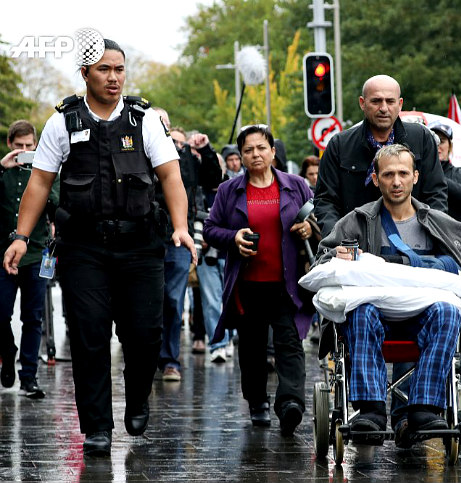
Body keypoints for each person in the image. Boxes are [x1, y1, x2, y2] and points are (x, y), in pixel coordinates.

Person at [3, 39, 196, 457]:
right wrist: (20, 237)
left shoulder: (144, 119)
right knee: (89, 337)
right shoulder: (62, 122)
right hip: (83, 248)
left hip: (141, 246)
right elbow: (39, 183)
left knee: (145, 336)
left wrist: (180, 227)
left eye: (120, 69)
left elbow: (170, 177)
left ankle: (139, 396)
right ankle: (97, 428)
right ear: (85, 73)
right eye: (104, 69)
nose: (113, 77)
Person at [314, 144, 461, 446]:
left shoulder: (440, 223)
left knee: (447, 311)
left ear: (416, 177)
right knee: (361, 310)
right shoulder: (356, 221)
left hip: (422, 317)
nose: (396, 181)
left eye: (403, 173)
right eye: (388, 174)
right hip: (375, 319)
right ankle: (371, 410)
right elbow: (322, 263)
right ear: (376, 179)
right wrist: (336, 256)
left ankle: (424, 408)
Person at [203, 124, 314, 436]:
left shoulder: (296, 185)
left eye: (261, 148)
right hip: (247, 284)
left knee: (289, 343)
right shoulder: (229, 191)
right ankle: (257, 401)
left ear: (273, 152)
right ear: (240, 155)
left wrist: (309, 229)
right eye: (248, 150)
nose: (255, 154)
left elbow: (314, 222)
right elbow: (211, 229)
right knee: (251, 348)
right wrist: (233, 236)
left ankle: (291, 403)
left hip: (288, 283)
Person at [314, 74, 447, 237]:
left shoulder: (421, 138)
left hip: (414, 243)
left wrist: (430, 235)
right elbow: (326, 201)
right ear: (362, 103)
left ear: (400, 104)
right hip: (357, 245)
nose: (383, 108)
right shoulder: (339, 145)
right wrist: (340, 240)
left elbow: (436, 194)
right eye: (376, 101)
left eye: (390, 101)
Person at [155, 123, 221, 381]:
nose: (175, 145)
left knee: (173, 299)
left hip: (178, 240)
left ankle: (171, 360)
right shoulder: (141, 155)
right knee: (148, 302)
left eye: (179, 142)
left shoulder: (188, 163)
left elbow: (214, 180)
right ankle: (146, 357)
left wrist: (204, 150)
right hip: (145, 240)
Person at [0, 120, 58, 399]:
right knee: (1, 313)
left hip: (36, 253)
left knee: (33, 318)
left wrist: (45, 172)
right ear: (10, 145)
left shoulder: (45, 172)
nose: (24, 151)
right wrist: (2, 167)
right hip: (3, 255)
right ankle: (8, 351)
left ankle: (29, 377)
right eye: (19, 146)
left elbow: (57, 202)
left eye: (29, 146)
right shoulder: (3, 173)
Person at [428, 121, 461, 226]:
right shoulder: (418, 174)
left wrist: (438, 178)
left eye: (441, 141)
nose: (438, 146)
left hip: (456, 236)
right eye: (433, 140)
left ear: (450, 146)